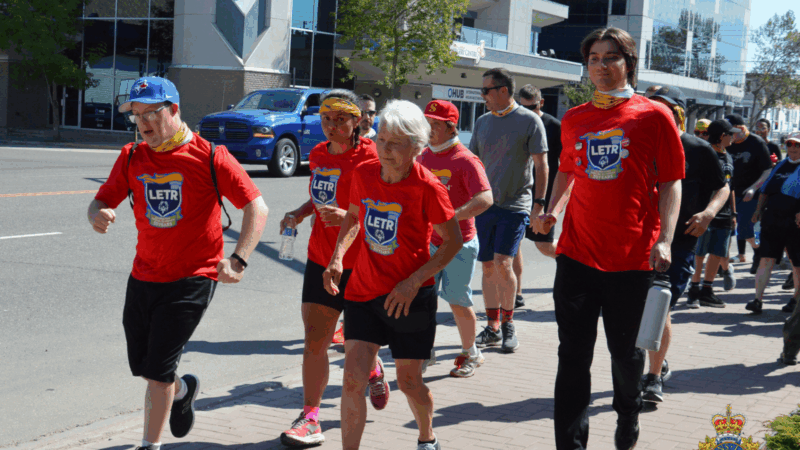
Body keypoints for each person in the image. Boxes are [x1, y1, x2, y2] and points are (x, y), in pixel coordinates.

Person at [87, 77, 269, 450]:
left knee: (157, 373)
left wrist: (238, 259)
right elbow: (101, 199)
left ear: (174, 110)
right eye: (137, 115)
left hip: (192, 277)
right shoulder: (132, 156)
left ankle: (149, 445)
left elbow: (256, 205)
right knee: (145, 366)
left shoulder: (210, 156)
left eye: (151, 114)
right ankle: (183, 390)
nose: (143, 123)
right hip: (144, 274)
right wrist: (97, 213)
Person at [534, 27, 684, 450]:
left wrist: (666, 238)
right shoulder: (575, 117)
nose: (600, 66)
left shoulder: (654, 115)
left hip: (632, 258)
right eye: (594, 59)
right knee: (572, 355)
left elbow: (671, 181)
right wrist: (552, 210)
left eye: (610, 57)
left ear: (628, 63)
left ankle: (628, 413)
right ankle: (570, 444)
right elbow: (567, 170)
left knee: (626, 354)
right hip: (577, 254)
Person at [323, 100, 462, 450]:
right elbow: (353, 217)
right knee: (352, 379)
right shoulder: (364, 173)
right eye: (381, 140)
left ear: (416, 147)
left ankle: (427, 437)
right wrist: (337, 257)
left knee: (410, 381)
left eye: (395, 143)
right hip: (364, 291)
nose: (384, 149)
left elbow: (452, 242)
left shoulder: (428, 187)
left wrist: (412, 282)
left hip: (409, 297)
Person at [278, 89, 385, 447]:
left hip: (361, 263)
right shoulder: (318, 154)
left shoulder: (372, 157)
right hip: (321, 258)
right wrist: (299, 213)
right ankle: (310, 418)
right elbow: (322, 195)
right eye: (326, 118)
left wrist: (352, 216)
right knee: (315, 341)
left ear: (357, 120)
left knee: (357, 345)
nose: (332, 125)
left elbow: (387, 207)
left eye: (340, 118)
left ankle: (372, 367)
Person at [642, 90, 728, 404]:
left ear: (678, 112)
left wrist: (708, 214)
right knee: (638, 309)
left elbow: (722, 187)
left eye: (664, 108)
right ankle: (656, 360)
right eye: (651, 106)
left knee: (659, 306)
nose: (656, 113)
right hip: (636, 238)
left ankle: (653, 378)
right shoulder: (636, 144)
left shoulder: (697, 149)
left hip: (678, 242)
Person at [470, 68, 549, 352]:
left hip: (515, 205)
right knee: (487, 265)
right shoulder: (482, 122)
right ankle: (492, 327)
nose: (483, 96)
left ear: (503, 90)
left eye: (486, 90)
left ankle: (508, 324)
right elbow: (473, 164)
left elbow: (541, 164)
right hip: (485, 205)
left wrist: (539, 204)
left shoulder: (529, 120)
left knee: (504, 263)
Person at [418, 100, 493, 378]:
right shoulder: (423, 156)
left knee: (457, 300)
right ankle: (424, 351)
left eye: (435, 124)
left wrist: (449, 218)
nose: (429, 129)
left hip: (459, 243)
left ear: (451, 127)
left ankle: (471, 353)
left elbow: (486, 198)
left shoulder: (466, 159)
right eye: (427, 123)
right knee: (423, 299)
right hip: (428, 242)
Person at [512, 84, 562, 307]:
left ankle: (573, 261)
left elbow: (566, 165)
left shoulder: (554, 126)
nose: (527, 112)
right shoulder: (516, 123)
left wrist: (556, 199)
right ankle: (516, 293)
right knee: (512, 245)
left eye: (532, 107)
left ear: (541, 103)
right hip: (518, 193)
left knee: (544, 245)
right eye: (522, 107)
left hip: (544, 195)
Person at [746, 133, 800, 315]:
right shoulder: (780, 166)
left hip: (795, 223)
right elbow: (765, 190)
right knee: (766, 258)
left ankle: (796, 300)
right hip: (773, 220)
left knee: (796, 263)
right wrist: (758, 211)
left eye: (797, 145)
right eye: (790, 144)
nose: (793, 148)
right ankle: (757, 300)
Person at [686, 120, 738, 308]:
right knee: (699, 253)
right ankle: (693, 290)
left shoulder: (729, 156)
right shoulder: (705, 154)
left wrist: (734, 213)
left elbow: (730, 187)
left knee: (717, 252)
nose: (733, 137)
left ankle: (707, 290)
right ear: (722, 136)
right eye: (730, 134)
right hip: (705, 212)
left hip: (725, 214)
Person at [725, 113, 772, 271]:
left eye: (733, 131)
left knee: (746, 229)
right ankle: (722, 263)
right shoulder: (727, 141)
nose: (731, 135)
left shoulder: (756, 143)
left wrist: (753, 188)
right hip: (729, 191)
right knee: (726, 228)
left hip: (750, 194)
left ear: (741, 128)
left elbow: (767, 170)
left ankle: (758, 252)